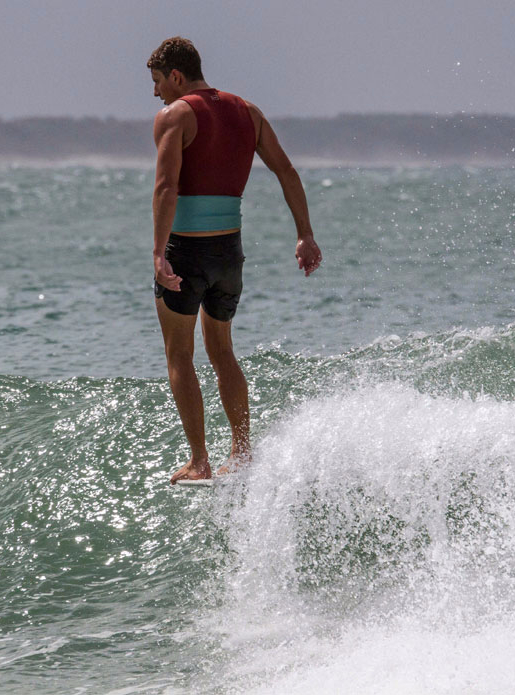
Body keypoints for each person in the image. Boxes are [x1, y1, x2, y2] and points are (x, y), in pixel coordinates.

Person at [147, 36, 321, 484]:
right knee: (222, 351)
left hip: (186, 251)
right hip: (229, 253)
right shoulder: (249, 112)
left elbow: (166, 187)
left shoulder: (174, 116)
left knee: (179, 354)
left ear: (176, 76)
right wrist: (305, 234)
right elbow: (286, 170)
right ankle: (242, 453)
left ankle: (199, 461)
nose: (156, 92)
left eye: (158, 81)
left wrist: (159, 253)